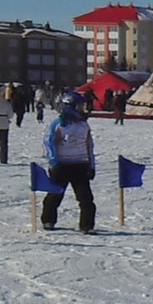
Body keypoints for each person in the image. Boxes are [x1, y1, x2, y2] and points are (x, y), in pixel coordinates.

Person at [40, 92, 97, 234]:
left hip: (80, 164)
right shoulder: (58, 124)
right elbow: (48, 142)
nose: (82, 109)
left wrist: (91, 165)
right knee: (54, 195)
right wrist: (54, 161)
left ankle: (87, 225)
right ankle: (48, 220)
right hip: (62, 165)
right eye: (79, 106)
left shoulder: (83, 124)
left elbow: (89, 145)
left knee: (85, 198)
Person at [0, 84, 13, 164]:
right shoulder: (6, 104)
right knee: (3, 143)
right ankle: (3, 159)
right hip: (4, 124)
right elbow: (11, 115)